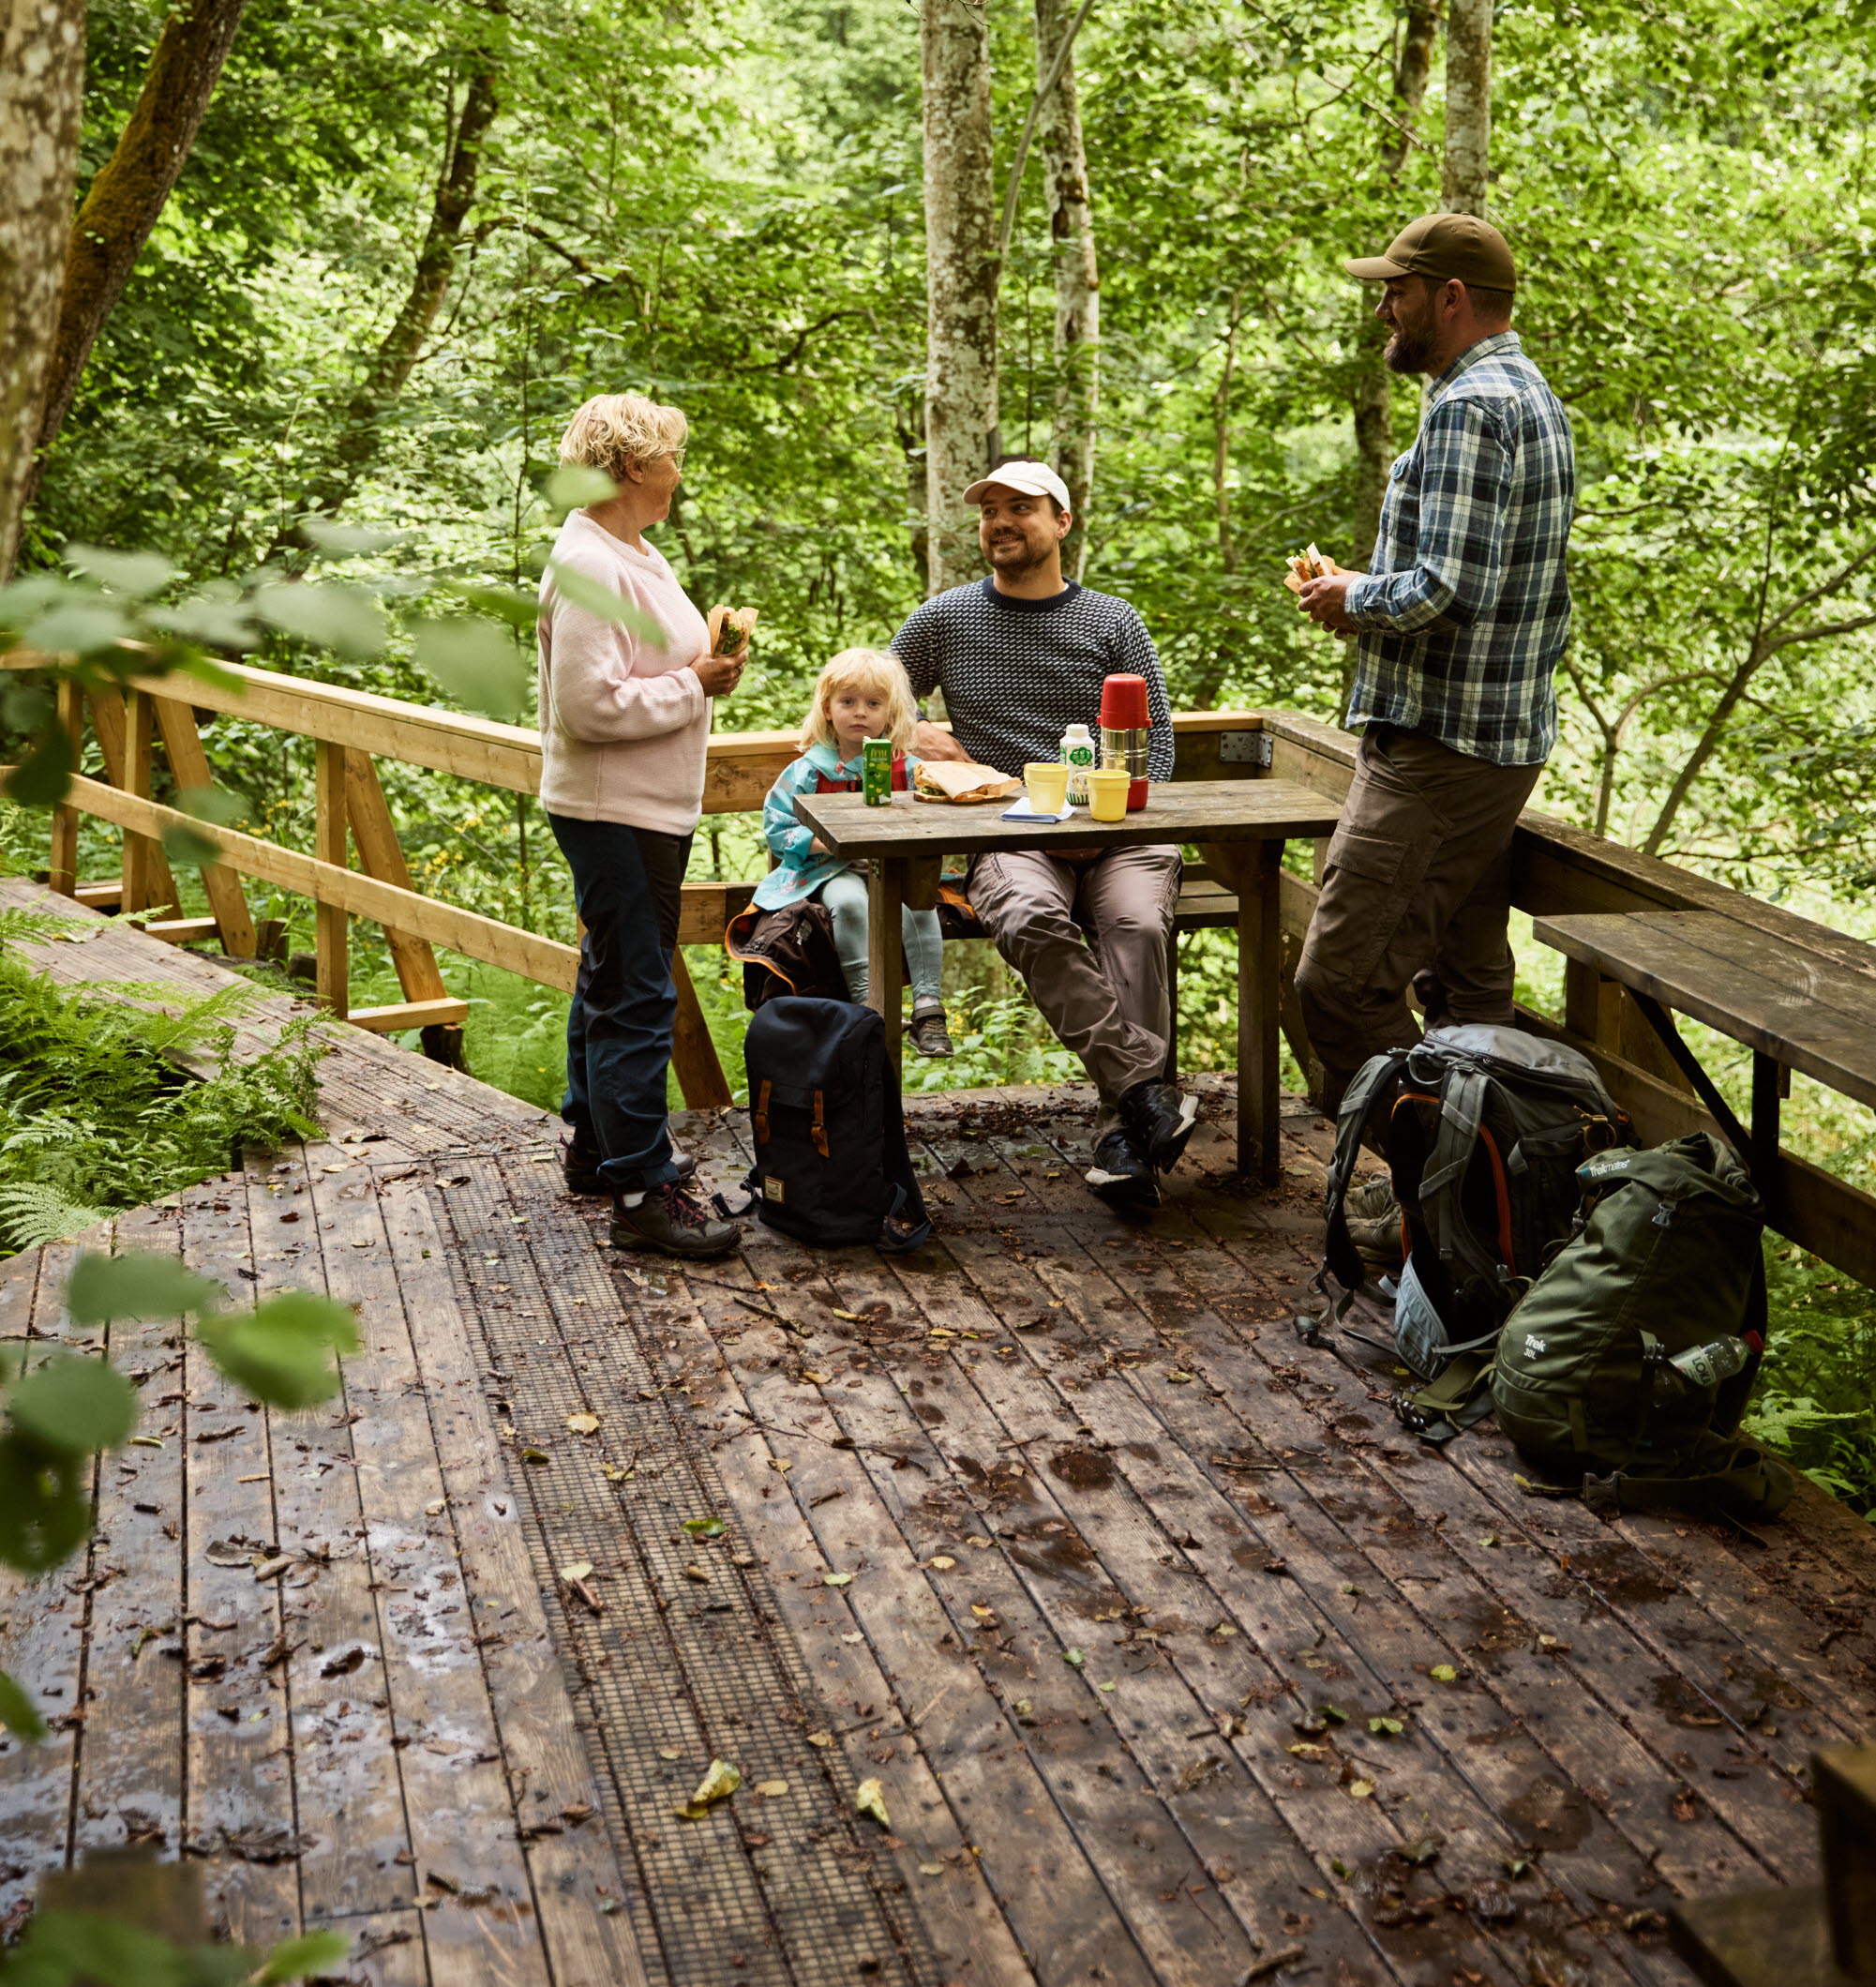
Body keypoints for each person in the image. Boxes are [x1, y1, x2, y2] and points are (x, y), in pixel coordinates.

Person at [1293, 214, 1573, 1259]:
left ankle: (1467, 1198)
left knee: (1342, 981)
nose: (1384, 308)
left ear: (1451, 296)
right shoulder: (1531, 396)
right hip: (1491, 738)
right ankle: (1478, 1213)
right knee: (1468, 982)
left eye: (1397, 291)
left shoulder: (1469, 408)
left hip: (1440, 745)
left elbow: (1445, 589)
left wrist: (1350, 595)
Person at [892, 458, 1195, 1209]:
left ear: (1061, 521)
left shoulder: (1112, 620)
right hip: (1011, 831)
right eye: (989, 509)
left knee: (1133, 925)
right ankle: (1141, 1096)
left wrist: (1099, 822)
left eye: (1020, 507)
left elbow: (1157, 744)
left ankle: (1118, 1136)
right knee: (1026, 914)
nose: (999, 520)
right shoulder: (943, 619)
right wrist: (917, 734)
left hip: (1119, 830)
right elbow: (866, 699)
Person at [538, 391, 743, 1260]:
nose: (678, 470)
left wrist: (709, 660)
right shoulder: (589, 563)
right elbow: (588, 706)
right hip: (610, 805)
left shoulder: (633, 551)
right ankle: (640, 1187)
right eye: (668, 455)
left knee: (613, 970)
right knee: (638, 990)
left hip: (646, 805)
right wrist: (696, 682)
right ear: (628, 466)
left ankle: (596, 1144)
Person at [755, 648, 954, 1058]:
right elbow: (777, 825)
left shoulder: (906, 767)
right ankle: (871, 1002)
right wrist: (825, 839)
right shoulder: (809, 771)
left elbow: (935, 812)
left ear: (890, 713)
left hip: (894, 870)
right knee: (850, 903)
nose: (859, 712)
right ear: (828, 709)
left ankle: (929, 1009)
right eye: (847, 702)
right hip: (831, 870)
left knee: (919, 909)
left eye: (873, 703)